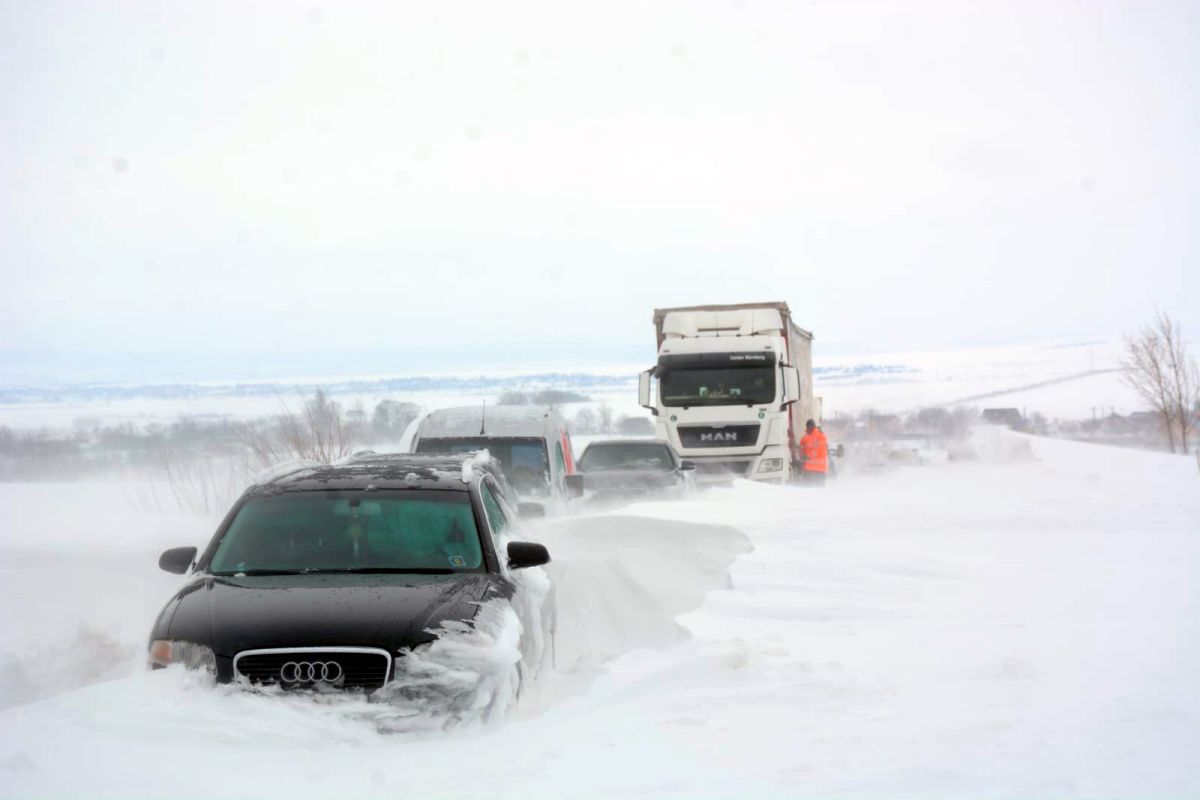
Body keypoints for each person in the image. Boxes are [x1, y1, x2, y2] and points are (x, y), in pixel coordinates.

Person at [797, 418, 828, 486]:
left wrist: (802, 456)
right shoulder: (822, 436)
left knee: (809, 489)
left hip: (809, 469)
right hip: (821, 468)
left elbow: (800, 451)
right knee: (820, 489)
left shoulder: (804, 438)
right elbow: (826, 448)